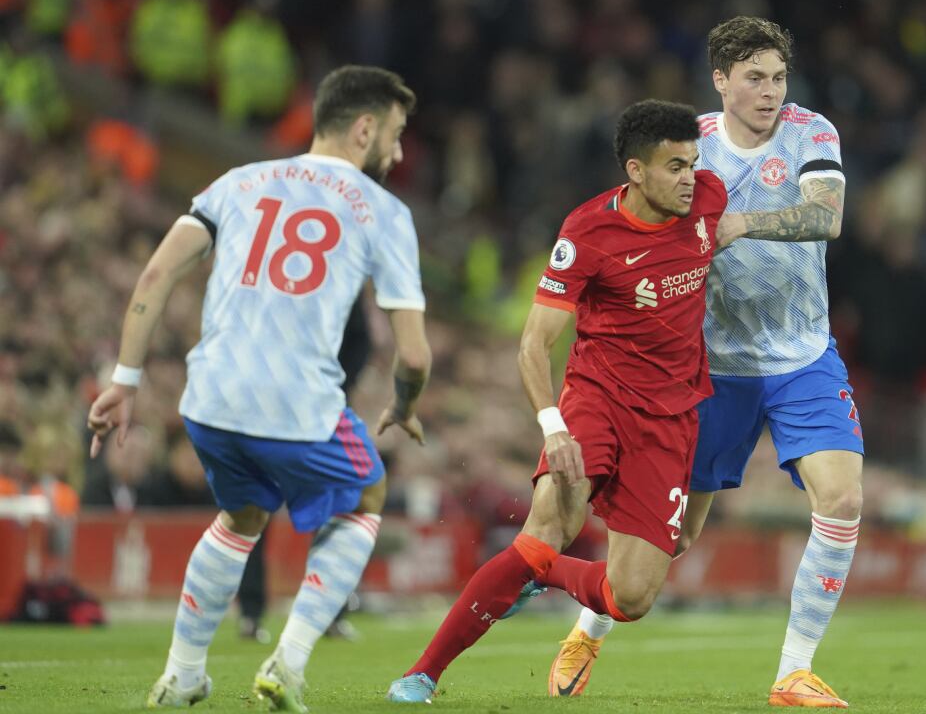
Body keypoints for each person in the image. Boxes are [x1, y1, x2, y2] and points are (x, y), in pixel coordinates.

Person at [86, 65, 431, 712]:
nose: (399, 150)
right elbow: (412, 353)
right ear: (364, 128)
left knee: (242, 518)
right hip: (296, 401)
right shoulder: (384, 211)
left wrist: (124, 382)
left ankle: (183, 675)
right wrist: (404, 405)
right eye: (395, 133)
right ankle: (288, 664)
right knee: (368, 493)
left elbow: (157, 272)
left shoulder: (237, 181)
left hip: (209, 402)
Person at [551, 17, 861, 708]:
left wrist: (743, 223)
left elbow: (828, 215)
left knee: (841, 499)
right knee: (678, 535)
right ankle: (588, 627)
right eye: (754, 78)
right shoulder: (688, 148)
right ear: (720, 80)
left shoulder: (813, 131)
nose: (770, 92)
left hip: (803, 355)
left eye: (778, 77)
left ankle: (793, 672)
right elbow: (636, 230)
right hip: (710, 366)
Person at [386, 99, 728, 704]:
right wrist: (554, 428)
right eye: (674, 166)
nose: (689, 178)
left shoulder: (709, 200)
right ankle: (422, 673)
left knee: (632, 599)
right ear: (636, 171)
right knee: (547, 526)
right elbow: (533, 344)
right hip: (598, 397)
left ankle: (538, 574)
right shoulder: (587, 232)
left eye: (693, 164)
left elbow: (738, 225)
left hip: (671, 417)